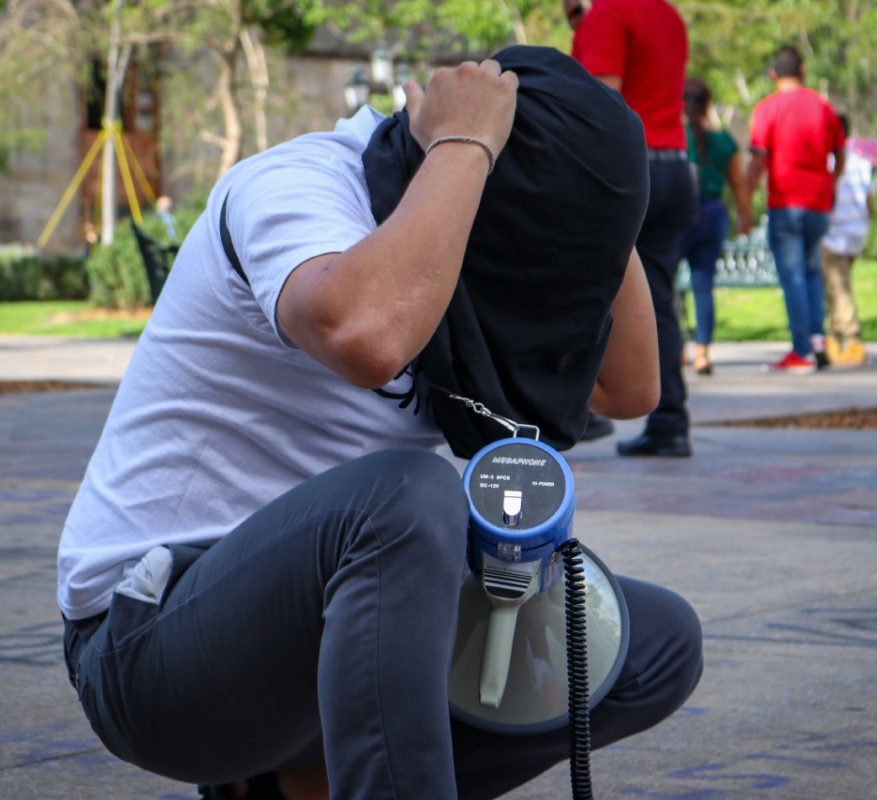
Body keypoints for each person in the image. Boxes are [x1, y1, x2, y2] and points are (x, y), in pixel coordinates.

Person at [56, 46, 703, 800]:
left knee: (646, 643)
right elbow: (367, 336)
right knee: (405, 498)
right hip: (152, 646)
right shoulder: (299, 187)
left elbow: (630, 386)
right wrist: (466, 142)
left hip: (340, 638)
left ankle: (295, 785)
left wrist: (597, 200)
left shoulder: (492, 247)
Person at [565, 0, 699, 458]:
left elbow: (600, 108)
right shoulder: (667, 15)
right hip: (674, 167)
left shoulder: (607, 15)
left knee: (577, 287)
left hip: (629, 168)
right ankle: (670, 423)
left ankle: (578, 412)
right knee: (658, 300)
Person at [746, 45, 845, 374]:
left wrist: (744, 199)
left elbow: (758, 160)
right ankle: (817, 340)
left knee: (794, 276)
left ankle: (801, 351)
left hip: (786, 203)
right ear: (802, 71)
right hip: (818, 204)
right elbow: (840, 152)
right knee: (812, 271)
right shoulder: (822, 106)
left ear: (773, 74)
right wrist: (831, 184)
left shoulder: (768, 108)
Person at [678, 77, 753, 376]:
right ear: (708, 103)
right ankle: (702, 352)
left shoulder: (676, 136)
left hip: (678, 213)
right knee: (703, 285)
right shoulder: (724, 140)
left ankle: (674, 348)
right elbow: (738, 183)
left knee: (664, 284)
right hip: (712, 215)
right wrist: (745, 216)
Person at [821, 116, 877, 367]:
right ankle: (833, 338)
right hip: (856, 234)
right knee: (836, 287)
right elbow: (869, 202)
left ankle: (854, 340)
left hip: (834, 236)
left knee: (839, 288)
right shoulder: (862, 162)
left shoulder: (829, 162)